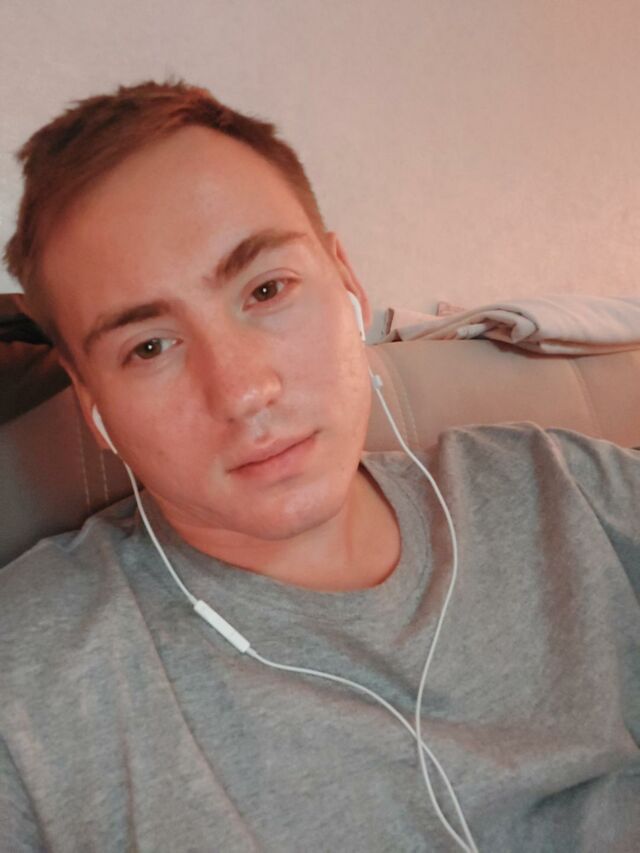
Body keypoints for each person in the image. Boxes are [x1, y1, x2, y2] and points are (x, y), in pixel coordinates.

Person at [1, 79, 638, 853]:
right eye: (150, 346)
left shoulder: (565, 490)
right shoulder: (30, 684)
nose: (243, 391)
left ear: (348, 287)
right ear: (93, 403)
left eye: (267, 289)